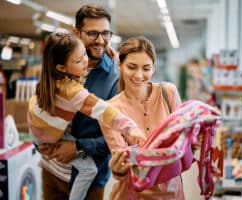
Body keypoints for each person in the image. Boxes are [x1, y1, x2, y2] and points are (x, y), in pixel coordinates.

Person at [28, 32, 145, 200]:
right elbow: (105, 111)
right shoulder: (73, 92)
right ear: (61, 67)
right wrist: (130, 128)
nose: (85, 60)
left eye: (84, 53)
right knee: (89, 169)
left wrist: (110, 55)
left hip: (39, 129)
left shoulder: (49, 79)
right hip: (48, 138)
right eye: (78, 60)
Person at [36, 5, 120, 200]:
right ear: (76, 32)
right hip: (52, 172)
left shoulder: (115, 78)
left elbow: (117, 136)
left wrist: (79, 148)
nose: (100, 40)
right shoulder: (58, 64)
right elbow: (41, 106)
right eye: (92, 33)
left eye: (105, 33)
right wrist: (39, 142)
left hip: (89, 181)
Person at [100, 36, 191, 199]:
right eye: (132, 67)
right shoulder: (110, 110)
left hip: (172, 194)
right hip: (132, 195)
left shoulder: (168, 93)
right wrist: (118, 169)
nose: (139, 75)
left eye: (146, 68)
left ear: (153, 68)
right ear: (120, 65)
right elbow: (122, 163)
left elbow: (183, 144)